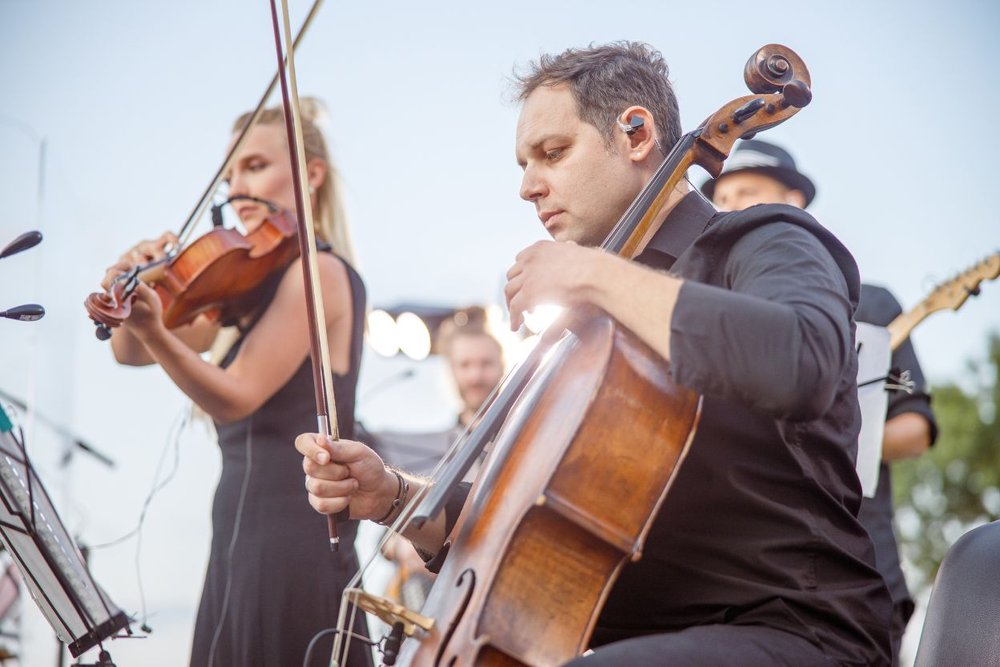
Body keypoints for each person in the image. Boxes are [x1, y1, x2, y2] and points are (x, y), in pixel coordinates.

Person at [296, 42, 894, 665]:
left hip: (795, 633)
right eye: (524, 164)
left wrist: (592, 277)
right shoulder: (597, 336)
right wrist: (392, 496)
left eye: (553, 153)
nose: (529, 187)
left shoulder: (763, 239)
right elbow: (521, 534)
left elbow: (801, 360)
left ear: (637, 134)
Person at [99, 100, 372, 667]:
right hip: (238, 532)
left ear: (309, 175)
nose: (236, 191)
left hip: (294, 535)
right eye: (229, 177)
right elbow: (129, 353)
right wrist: (131, 290)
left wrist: (151, 326)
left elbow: (237, 394)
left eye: (254, 167)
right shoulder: (245, 284)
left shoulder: (320, 273)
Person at [702, 138, 938, 665]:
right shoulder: (709, 308)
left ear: (793, 199)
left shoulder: (872, 305)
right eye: (724, 196)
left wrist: (833, 426)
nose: (733, 205)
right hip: (738, 570)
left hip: (854, 556)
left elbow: (915, 430)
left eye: (750, 192)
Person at [374, 310, 505, 609]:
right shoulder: (435, 450)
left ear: (502, 365)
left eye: (485, 364)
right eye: (465, 365)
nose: (476, 376)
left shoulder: (527, 438)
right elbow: (385, 532)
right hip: (449, 593)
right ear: (452, 371)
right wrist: (403, 546)